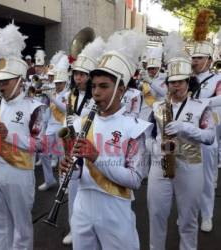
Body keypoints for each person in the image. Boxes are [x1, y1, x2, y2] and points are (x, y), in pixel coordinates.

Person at [60, 30, 151, 250]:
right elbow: (79, 172)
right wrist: (67, 169)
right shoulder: (81, 123)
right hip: (82, 207)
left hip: (115, 209)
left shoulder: (135, 128)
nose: (96, 92)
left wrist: (96, 156)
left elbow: (134, 179)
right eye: (94, 87)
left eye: (104, 86)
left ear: (120, 90)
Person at [0, 23, 45, 250]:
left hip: (19, 172)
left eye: (5, 81)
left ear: (20, 80)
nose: (0, 85)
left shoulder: (35, 108)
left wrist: (9, 136)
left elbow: (40, 144)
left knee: (21, 227)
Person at [147, 56, 215, 250]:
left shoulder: (202, 107)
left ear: (188, 82)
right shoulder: (158, 107)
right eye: (172, 82)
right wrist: (154, 150)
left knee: (188, 219)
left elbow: (209, 137)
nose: (176, 86)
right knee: (156, 216)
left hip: (190, 165)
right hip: (160, 165)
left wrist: (185, 128)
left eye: (180, 81)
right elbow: (149, 136)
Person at [62, 37, 104, 245]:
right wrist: (66, 124)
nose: (78, 78)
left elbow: (96, 120)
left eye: (82, 74)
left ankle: (93, 228)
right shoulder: (70, 95)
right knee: (72, 190)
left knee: (89, 190)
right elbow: (66, 116)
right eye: (76, 74)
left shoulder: (96, 97)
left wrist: (77, 121)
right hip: (72, 145)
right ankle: (73, 227)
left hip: (89, 147)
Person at [191, 40, 221, 232]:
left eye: (199, 58)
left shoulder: (217, 79)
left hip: (208, 132)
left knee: (207, 178)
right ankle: (189, 214)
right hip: (188, 135)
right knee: (187, 178)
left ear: (209, 60)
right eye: (193, 57)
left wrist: (201, 102)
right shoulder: (185, 77)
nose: (195, 61)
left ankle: (207, 216)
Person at [38, 53, 69, 191]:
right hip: (50, 128)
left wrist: (52, 98)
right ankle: (49, 180)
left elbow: (65, 109)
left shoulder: (68, 95)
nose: (57, 85)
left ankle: (64, 182)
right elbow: (48, 113)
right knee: (43, 154)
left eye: (60, 83)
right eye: (56, 83)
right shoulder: (54, 94)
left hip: (62, 129)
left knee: (63, 157)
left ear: (65, 83)